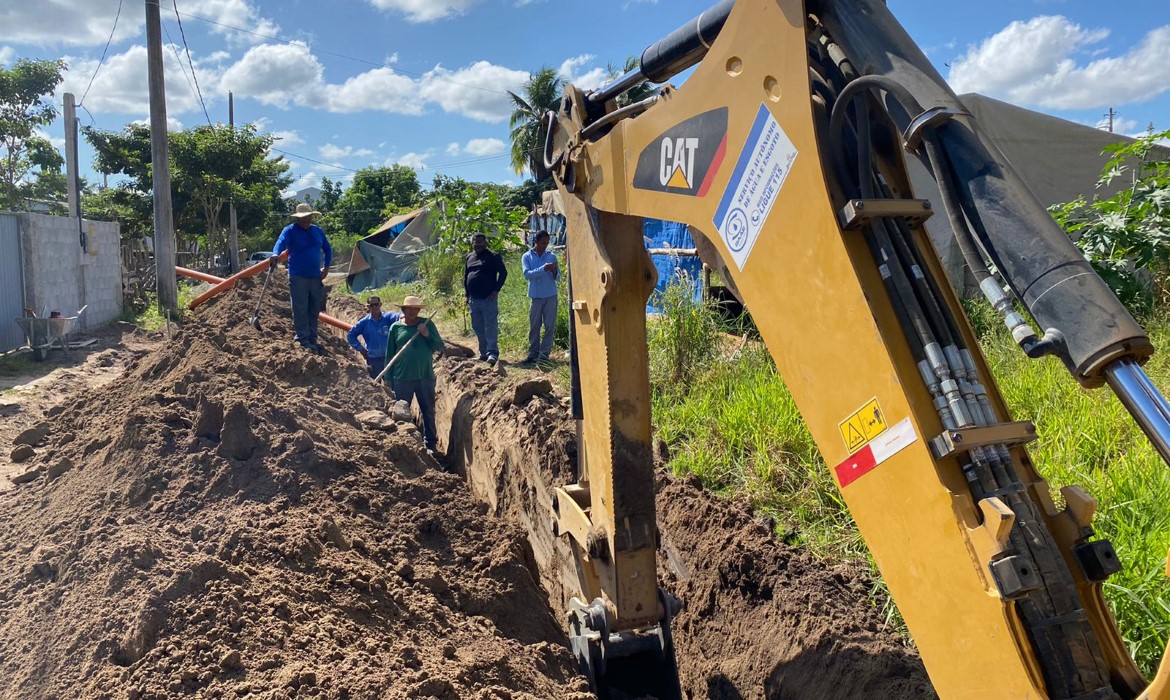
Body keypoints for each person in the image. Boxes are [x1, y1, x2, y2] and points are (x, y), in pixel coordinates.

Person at [383, 295, 444, 453]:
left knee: (428, 411)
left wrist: (426, 334)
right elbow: (390, 354)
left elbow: (439, 346)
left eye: (415, 309)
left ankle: (430, 444)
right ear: (403, 310)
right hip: (402, 378)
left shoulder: (427, 324)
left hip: (425, 376)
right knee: (401, 413)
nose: (412, 312)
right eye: (409, 309)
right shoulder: (396, 328)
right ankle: (405, 444)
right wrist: (387, 377)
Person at [273, 203, 332, 353]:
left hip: (315, 277)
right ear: (298, 218)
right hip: (298, 276)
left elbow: (327, 248)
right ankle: (302, 339)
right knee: (300, 308)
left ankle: (313, 339)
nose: (305, 220)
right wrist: (275, 254)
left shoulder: (317, 231)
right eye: (303, 218)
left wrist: (326, 267)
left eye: (308, 217)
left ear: (311, 216)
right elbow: (280, 242)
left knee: (314, 309)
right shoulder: (290, 230)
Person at [463, 233, 507, 365]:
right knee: (477, 327)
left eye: (481, 242)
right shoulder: (469, 257)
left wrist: (496, 290)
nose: (478, 245)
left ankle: (492, 353)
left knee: (490, 327)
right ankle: (483, 353)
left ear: (485, 243)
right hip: (473, 299)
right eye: (476, 242)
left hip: (488, 299)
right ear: (472, 244)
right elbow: (466, 276)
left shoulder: (493, 256)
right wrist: (467, 295)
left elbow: (503, 273)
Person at [521, 230, 559, 364]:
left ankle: (544, 355)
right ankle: (533, 354)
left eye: (547, 243)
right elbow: (527, 275)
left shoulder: (551, 257)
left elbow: (557, 277)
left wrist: (554, 271)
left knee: (549, 326)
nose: (545, 245)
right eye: (543, 243)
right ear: (536, 241)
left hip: (550, 295)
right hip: (536, 297)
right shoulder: (527, 256)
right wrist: (543, 269)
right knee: (534, 326)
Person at [346, 296, 401, 379]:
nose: (374, 307)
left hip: (390, 358)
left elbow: (400, 316)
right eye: (372, 305)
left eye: (376, 304)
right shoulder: (364, 322)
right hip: (374, 360)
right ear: (368, 307)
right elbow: (351, 335)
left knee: (392, 383)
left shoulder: (388, 318)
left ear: (380, 304)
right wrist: (360, 349)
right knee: (375, 384)